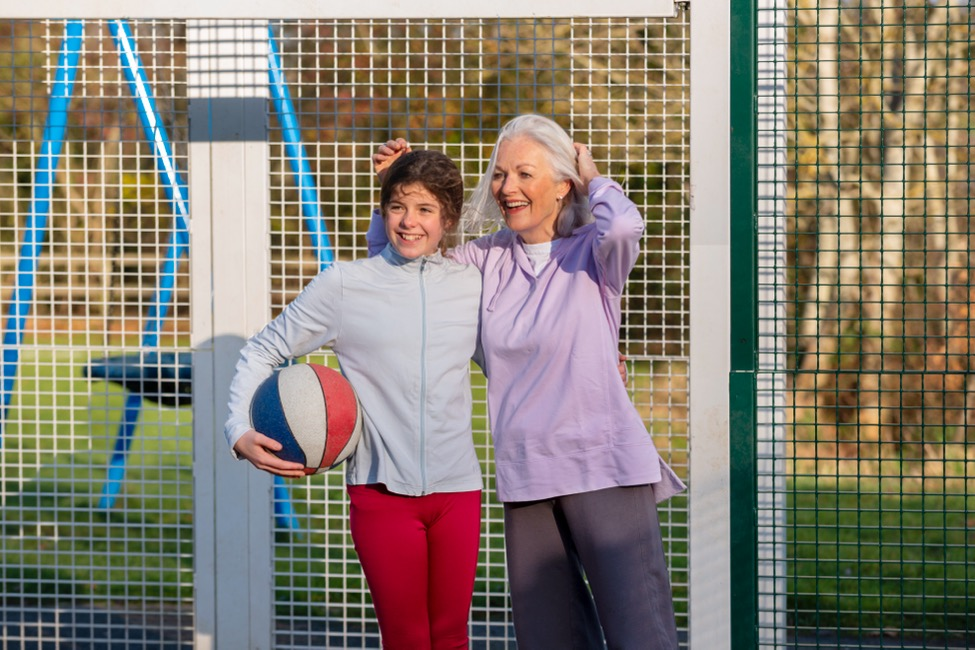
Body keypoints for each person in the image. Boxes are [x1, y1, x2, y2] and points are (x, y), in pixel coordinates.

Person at [369, 115, 686, 649]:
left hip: (602, 466)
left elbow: (626, 226)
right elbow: (402, 274)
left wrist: (594, 178)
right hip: (527, 474)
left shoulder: (594, 252)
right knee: (549, 640)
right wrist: (396, 186)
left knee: (640, 635)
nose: (507, 188)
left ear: (562, 184)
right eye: (499, 174)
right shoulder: (483, 259)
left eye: (524, 173)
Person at [224, 150, 483, 650]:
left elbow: (520, 353)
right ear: (382, 210)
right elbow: (263, 349)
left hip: (458, 492)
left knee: (451, 636)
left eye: (425, 209)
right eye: (398, 206)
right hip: (380, 495)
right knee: (406, 638)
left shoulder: (470, 285)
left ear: (448, 219)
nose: (409, 222)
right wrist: (237, 429)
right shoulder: (345, 286)